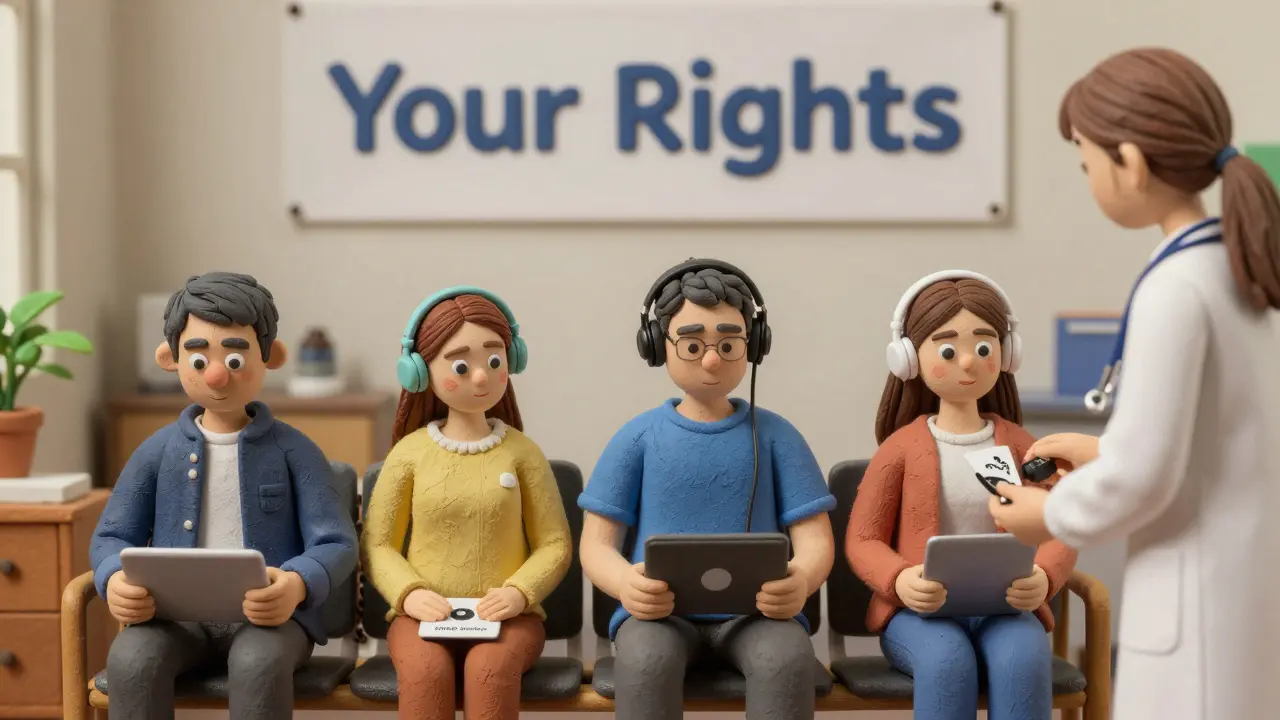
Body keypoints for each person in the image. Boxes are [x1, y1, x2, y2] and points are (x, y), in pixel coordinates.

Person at [989, 47, 1280, 719]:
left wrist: (1046, 516)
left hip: (1193, 606)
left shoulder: (1176, 289)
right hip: (1242, 590)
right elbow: (1223, 438)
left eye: (1087, 162)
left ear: (1131, 163)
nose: (1088, 178)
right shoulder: (1238, 273)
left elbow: (1146, 477)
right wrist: (1102, 456)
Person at [89, 272, 359, 720]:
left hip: (271, 621)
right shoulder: (156, 453)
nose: (216, 373)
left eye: (235, 358)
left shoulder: (296, 450)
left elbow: (336, 542)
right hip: (174, 619)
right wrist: (113, 577)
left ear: (271, 357)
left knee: (258, 664)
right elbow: (112, 535)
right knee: (133, 660)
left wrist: (295, 584)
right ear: (169, 359)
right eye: (198, 359)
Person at [578, 259, 837, 720]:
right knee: (645, 661)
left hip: (759, 615)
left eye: (729, 343)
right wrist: (624, 583)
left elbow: (815, 539)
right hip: (658, 615)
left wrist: (800, 579)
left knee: (786, 660)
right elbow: (597, 545)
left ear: (754, 345)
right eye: (694, 344)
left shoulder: (777, 437)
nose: (713, 359)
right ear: (658, 345)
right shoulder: (637, 438)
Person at [846, 271, 1077, 720]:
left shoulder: (1019, 446)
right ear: (909, 358)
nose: (969, 363)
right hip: (921, 615)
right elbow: (863, 539)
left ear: (1006, 354)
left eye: (985, 347)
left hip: (1006, 608)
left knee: (1023, 660)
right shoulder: (900, 449)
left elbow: (1060, 522)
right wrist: (898, 580)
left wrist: (1045, 577)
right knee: (947, 661)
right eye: (949, 349)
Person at [361, 287, 572, 720]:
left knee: (488, 671)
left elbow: (555, 543)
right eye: (462, 364)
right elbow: (378, 544)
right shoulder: (409, 454)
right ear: (419, 372)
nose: (480, 377)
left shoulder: (522, 453)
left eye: (493, 361)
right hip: (422, 620)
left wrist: (519, 592)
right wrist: (409, 593)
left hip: (510, 621)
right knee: (424, 671)